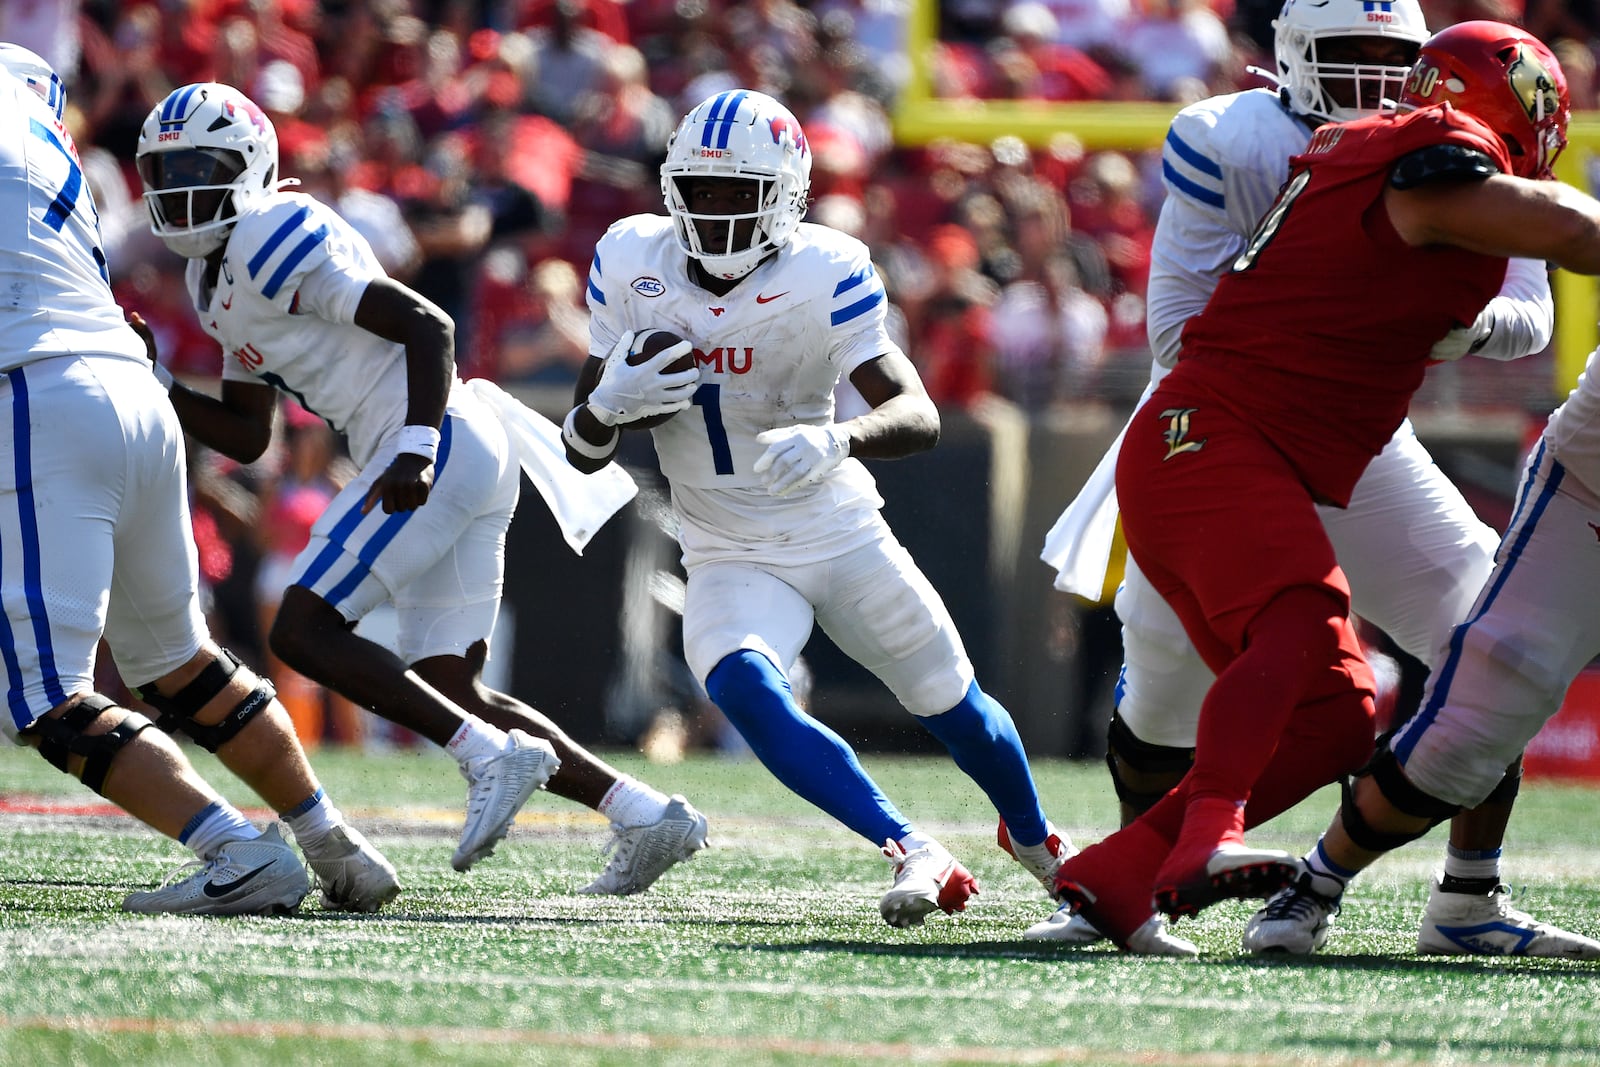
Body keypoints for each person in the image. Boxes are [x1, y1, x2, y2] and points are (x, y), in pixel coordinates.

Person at [1032, 0, 1598, 958]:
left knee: (1362, 699)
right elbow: (1178, 326)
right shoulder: (1401, 147)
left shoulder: (1394, 147)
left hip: (1337, 435)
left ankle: (1127, 876)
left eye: (1394, 56)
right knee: (1217, 656)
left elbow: (1526, 303)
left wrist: (1435, 326)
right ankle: (1196, 846)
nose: (1375, 76)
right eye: (1353, 54)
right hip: (1218, 424)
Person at [133, 81, 709, 895]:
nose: (183, 187)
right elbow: (244, 430)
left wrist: (413, 446)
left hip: (429, 438)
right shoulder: (213, 279)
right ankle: (645, 811)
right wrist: (154, 377)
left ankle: (486, 755)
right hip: (447, 445)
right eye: (168, 171)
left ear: (250, 165)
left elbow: (426, 324)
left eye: (201, 165)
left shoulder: (272, 230)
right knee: (449, 685)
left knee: (301, 629)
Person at [561, 88, 1078, 932]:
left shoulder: (824, 266)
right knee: (743, 686)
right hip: (726, 543)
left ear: (789, 195)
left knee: (956, 706)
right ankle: (911, 845)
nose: (718, 212)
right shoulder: (629, 260)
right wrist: (602, 407)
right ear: (671, 188)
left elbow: (918, 414)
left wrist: (840, 438)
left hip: (833, 525)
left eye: (740, 193)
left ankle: (1036, 840)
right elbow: (581, 451)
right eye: (702, 191)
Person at [0, 45, 397, 916]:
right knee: (181, 662)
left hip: (37, 389)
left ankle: (233, 848)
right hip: (135, 394)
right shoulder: (43, 146)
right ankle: (333, 841)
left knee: (45, 694)